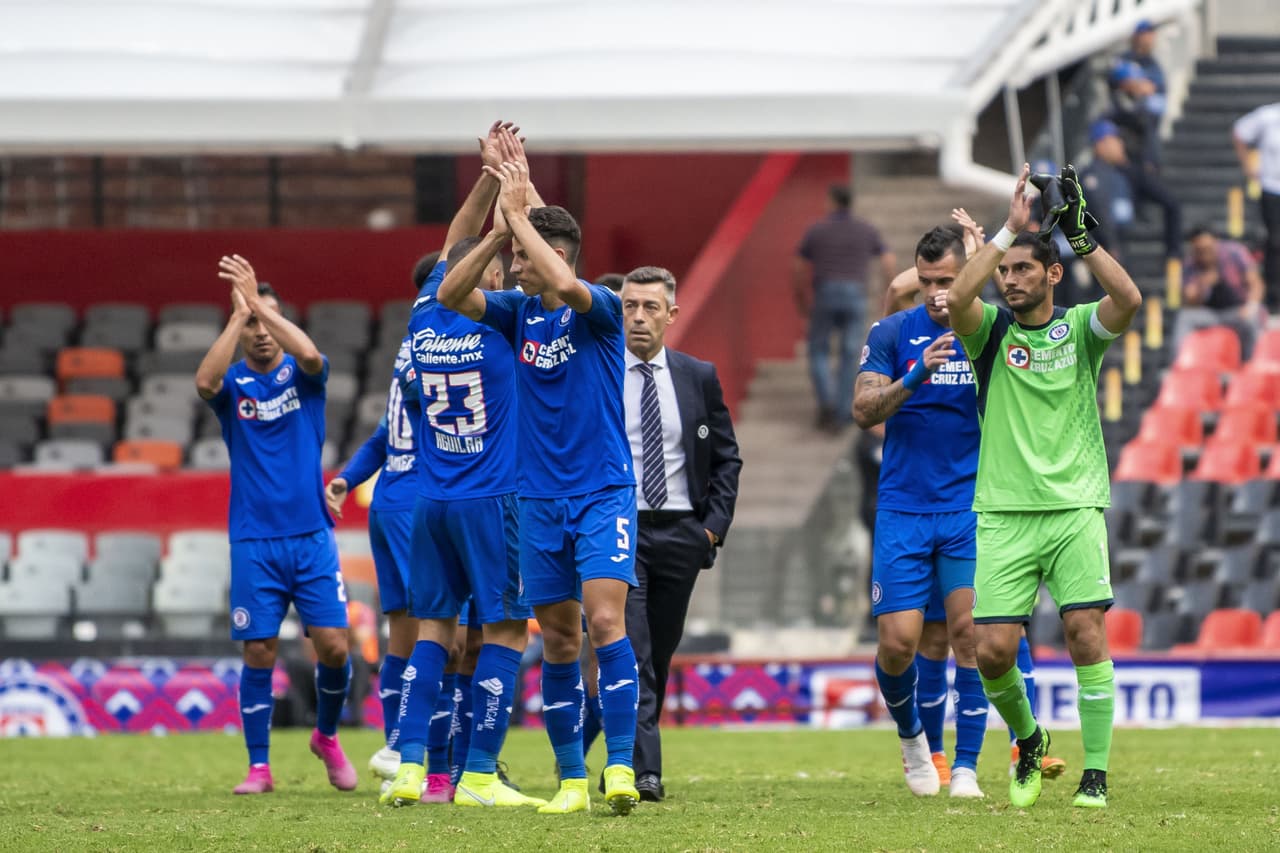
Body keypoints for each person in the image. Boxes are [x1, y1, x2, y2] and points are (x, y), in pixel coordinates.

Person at [438, 128, 642, 816]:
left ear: (553, 257)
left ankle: (618, 766)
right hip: (537, 500)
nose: (512, 270)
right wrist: (500, 230)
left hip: (602, 491)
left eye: (522, 257)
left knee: (605, 620)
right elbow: (449, 293)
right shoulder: (515, 314)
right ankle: (570, 781)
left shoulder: (601, 311)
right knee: (556, 635)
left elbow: (561, 280)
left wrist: (520, 215)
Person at [946, 163, 1142, 809]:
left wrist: (1085, 242)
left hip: (1075, 505)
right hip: (1003, 511)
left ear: (1052, 275)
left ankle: (1097, 774)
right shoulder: (990, 335)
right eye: (1006, 271)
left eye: (1024, 268)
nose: (1010, 279)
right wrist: (1007, 231)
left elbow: (1130, 300)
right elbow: (955, 299)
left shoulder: (1081, 329)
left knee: (1086, 630)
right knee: (992, 649)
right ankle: (1029, 738)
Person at [379, 123, 543, 810]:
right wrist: (516, 199)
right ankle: (477, 773)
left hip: (432, 498)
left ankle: (412, 766)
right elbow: (537, 249)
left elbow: (454, 241)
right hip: (492, 498)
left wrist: (488, 176)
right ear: (497, 277)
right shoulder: (506, 318)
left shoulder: (423, 315)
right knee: (503, 632)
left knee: (433, 634)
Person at [195, 257, 357, 796]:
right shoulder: (233, 386)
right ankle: (259, 767)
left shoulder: (305, 379)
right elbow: (203, 380)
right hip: (254, 540)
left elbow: (309, 352)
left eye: (269, 322)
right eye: (252, 326)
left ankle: (327, 737)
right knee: (258, 650)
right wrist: (238, 315)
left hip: (311, 536)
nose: (261, 334)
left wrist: (258, 305)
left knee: (334, 646)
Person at [853, 225, 988, 799]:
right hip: (904, 507)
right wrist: (915, 375)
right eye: (929, 281)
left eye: (949, 281)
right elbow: (862, 410)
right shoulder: (890, 333)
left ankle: (966, 768)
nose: (938, 293)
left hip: (969, 505)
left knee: (970, 635)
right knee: (899, 645)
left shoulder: (984, 334)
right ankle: (912, 740)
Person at [618, 265, 741, 802]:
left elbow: (726, 459)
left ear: (671, 314)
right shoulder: (600, 372)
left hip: (680, 535)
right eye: (629, 306)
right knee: (635, 653)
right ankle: (640, 770)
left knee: (659, 654)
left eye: (649, 307)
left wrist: (710, 531)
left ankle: (613, 744)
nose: (638, 317)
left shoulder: (698, 376)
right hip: (617, 531)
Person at [325, 332, 422, 782]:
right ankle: (415, 749)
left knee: (405, 627)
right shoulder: (453, 351)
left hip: (393, 501)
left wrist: (346, 478)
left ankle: (399, 744)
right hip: (419, 503)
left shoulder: (410, 351)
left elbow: (384, 435)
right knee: (437, 627)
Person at [793, 184, 896, 432]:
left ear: (831, 201)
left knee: (818, 349)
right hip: (855, 295)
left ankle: (826, 403)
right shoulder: (865, 229)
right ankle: (842, 411)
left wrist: (801, 299)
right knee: (851, 353)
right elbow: (888, 260)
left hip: (825, 293)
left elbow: (797, 267)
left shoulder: (817, 230)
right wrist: (887, 293)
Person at [1081, 118, 1181, 262]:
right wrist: (1111, 244)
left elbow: (1169, 200)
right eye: (1115, 140)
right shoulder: (1092, 175)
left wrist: (1173, 250)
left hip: (1127, 243)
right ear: (1100, 145)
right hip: (1103, 248)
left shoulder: (1127, 172)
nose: (1120, 144)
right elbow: (1099, 212)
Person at [1175, 225, 1266, 357]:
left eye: (1208, 249)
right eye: (1200, 250)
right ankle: (1180, 365)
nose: (1205, 254)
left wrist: (1251, 306)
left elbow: (1256, 283)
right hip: (1210, 314)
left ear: (1216, 242)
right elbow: (1190, 300)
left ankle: (1252, 365)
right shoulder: (1190, 264)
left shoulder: (1235, 252)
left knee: (1251, 319)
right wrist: (1202, 285)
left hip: (1237, 310)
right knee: (1184, 317)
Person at [1234, 101, 1280, 310]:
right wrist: (1248, 166)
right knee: (1275, 241)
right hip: (1272, 187)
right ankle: (1273, 294)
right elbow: (1240, 132)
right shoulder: (1268, 116)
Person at [1109, 20, 1167, 168]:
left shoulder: (1152, 62)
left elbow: (1156, 87)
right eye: (1146, 34)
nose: (1150, 38)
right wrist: (1137, 85)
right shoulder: (1125, 58)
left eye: (1151, 34)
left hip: (1147, 126)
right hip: (1125, 121)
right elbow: (1122, 81)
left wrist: (1141, 85)